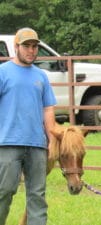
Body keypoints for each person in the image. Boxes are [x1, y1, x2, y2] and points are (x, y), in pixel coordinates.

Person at [0, 27, 57, 225]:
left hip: (36, 145)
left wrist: (51, 138)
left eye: (34, 47)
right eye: (26, 46)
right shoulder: (2, 72)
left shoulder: (41, 76)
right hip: (7, 143)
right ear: (16, 47)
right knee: (4, 191)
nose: (31, 51)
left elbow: (48, 109)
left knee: (37, 197)